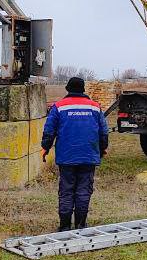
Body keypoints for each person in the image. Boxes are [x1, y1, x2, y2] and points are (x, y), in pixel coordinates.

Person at [41, 76, 109, 232]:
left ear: (67, 89)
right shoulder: (95, 107)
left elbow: (49, 131)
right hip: (88, 156)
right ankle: (81, 224)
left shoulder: (58, 107)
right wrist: (102, 148)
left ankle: (64, 226)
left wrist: (45, 147)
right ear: (83, 89)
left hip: (67, 157)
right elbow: (103, 132)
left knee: (66, 190)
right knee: (84, 190)